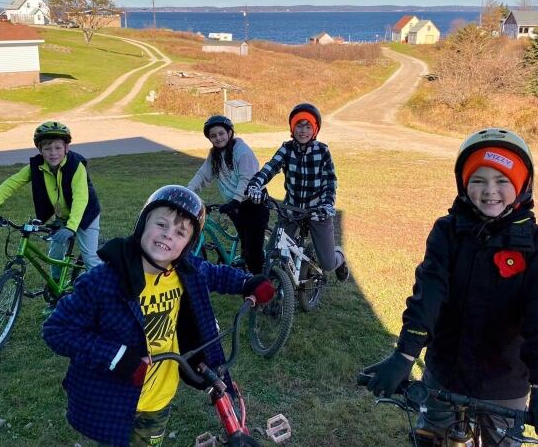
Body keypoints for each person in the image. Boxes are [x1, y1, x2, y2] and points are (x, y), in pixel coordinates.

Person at [359, 128, 538, 446]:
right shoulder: (447, 232)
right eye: (478, 180)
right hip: (444, 371)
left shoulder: (537, 244)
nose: (490, 191)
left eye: (502, 180)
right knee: (431, 435)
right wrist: (405, 356)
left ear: (522, 185)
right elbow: (428, 296)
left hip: (504, 382)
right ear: (463, 185)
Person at [42, 185, 275, 446]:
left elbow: (216, 273)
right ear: (143, 223)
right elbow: (57, 330)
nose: (168, 236)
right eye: (161, 224)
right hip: (115, 397)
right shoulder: (104, 280)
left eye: (180, 232)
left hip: (159, 396)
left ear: (188, 244)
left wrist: (247, 283)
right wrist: (117, 357)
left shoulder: (184, 269)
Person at [0, 121, 102, 274]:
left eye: (58, 147)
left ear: (66, 148)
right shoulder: (36, 166)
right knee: (55, 254)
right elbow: (11, 183)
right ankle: (56, 289)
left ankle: (102, 294)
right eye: (47, 148)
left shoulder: (76, 166)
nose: (53, 153)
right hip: (63, 216)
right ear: (40, 150)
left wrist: (71, 227)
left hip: (85, 214)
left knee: (90, 258)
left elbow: (81, 198)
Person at [246, 102, 349, 281]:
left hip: (318, 211)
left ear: (315, 129)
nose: (303, 131)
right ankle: (281, 288)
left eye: (308, 126)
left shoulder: (322, 151)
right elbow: (270, 168)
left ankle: (339, 257)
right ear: (292, 129)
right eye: (298, 125)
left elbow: (329, 182)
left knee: (327, 263)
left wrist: (326, 204)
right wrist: (255, 185)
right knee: (273, 252)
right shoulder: (286, 149)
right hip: (291, 209)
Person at [187, 115, 270, 274]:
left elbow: (246, 178)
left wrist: (236, 200)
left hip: (254, 203)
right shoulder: (215, 155)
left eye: (221, 133)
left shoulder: (242, 151)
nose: (218, 138)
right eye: (213, 136)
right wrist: (188, 191)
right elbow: (202, 175)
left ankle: (258, 285)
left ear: (230, 133)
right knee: (245, 244)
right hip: (236, 205)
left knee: (253, 251)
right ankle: (247, 271)